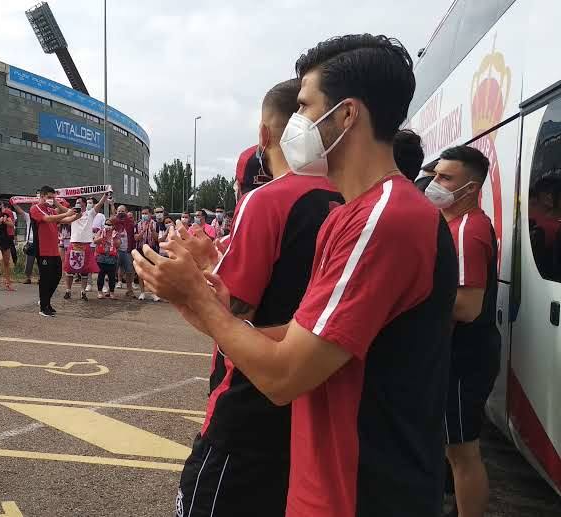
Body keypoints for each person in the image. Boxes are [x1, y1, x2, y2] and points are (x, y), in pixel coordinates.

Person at [134, 34, 457, 517]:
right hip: (330, 484)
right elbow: (301, 339)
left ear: (347, 115)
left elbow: (284, 375)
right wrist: (197, 298)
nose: (296, 123)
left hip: (358, 493)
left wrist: (200, 304)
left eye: (306, 107)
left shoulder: (383, 218)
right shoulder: (353, 213)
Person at [170, 77, 345, 517]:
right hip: (318, 396)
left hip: (252, 395)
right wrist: (214, 259)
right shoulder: (348, 198)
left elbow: (234, 311)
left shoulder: (269, 200)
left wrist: (185, 282)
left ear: (265, 135)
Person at [425, 146, 500, 517]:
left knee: (462, 450)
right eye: (436, 174)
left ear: (470, 189)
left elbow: (468, 307)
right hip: (457, 355)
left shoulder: (469, 228)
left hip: (464, 356)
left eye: (445, 178)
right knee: (451, 445)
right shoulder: (452, 224)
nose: (435, 183)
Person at [30, 186, 79, 316]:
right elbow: (47, 219)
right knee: (45, 279)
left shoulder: (51, 210)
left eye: (53, 197)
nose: (52, 200)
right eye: (50, 197)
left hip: (54, 250)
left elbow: (65, 220)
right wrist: (66, 213)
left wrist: (76, 215)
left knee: (57, 276)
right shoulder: (35, 209)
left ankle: (45, 301)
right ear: (42, 196)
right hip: (43, 249)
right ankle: (44, 306)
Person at [63, 194, 107, 300]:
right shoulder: (73, 213)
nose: (77, 204)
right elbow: (62, 210)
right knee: (69, 270)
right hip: (73, 244)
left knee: (85, 271)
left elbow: (100, 204)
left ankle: (83, 292)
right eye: (76, 202)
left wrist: (105, 195)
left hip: (86, 245)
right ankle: (68, 290)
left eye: (79, 202)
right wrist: (55, 200)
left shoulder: (90, 213)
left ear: (84, 203)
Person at [134, 206, 161, 301]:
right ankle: (142, 292)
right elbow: (136, 238)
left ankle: (154, 293)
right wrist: (143, 230)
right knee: (141, 272)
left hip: (152, 250)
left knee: (153, 272)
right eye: (143, 213)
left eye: (146, 213)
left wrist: (152, 230)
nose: (144, 215)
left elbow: (158, 238)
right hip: (141, 250)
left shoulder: (156, 224)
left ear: (150, 214)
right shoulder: (137, 224)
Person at [12, 193, 38, 284]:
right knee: (29, 262)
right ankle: (28, 277)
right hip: (30, 242)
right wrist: (14, 203)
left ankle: (41, 278)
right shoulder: (28, 217)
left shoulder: (44, 216)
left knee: (41, 262)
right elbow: (20, 210)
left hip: (40, 242)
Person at [113, 205, 137, 297]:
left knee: (129, 271)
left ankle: (129, 290)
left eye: (123, 211)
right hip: (116, 251)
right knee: (112, 271)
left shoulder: (131, 224)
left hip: (127, 250)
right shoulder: (115, 223)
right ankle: (110, 291)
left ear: (126, 212)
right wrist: (111, 204)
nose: (121, 213)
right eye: (119, 211)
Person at [94, 218, 120, 299]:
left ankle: (112, 292)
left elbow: (118, 245)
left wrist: (113, 239)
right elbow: (95, 241)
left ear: (113, 226)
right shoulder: (101, 232)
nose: (108, 226)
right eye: (107, 224)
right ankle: (99, 292)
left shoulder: (115, 233)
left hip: (112, 258)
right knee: (101, 275)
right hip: (101, 257)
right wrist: (102, 238)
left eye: (110, 224)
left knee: (112, 276)